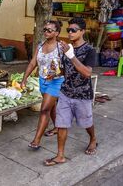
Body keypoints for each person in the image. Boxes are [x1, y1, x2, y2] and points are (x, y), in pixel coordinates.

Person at [44, 17, 97, 166]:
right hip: (65, 93)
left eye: (73, 30)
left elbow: (87, 73)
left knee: (86, 123)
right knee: (61, 124)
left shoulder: (89, 51)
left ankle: (92, 139)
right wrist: (52, 73)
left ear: (82, 31)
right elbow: (62, 69)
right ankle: (60, 155)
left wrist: (71, 55)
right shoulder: (65, 48)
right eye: (68, 30)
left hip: (82, 94)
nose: (70, 33)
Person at [20, 20, 65, 150]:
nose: (46, 32)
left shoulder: (61, 47)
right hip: (42, 81)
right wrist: (24, 79)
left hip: (56, 82)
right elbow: (33, 63)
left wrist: (57, 73)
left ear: (56, 33)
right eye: (45, 29)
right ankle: (57, 127)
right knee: (50, 107)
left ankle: (36, 140)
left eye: (49, 30)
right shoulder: (40, 46)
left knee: (44, 109)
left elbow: (68, 66)